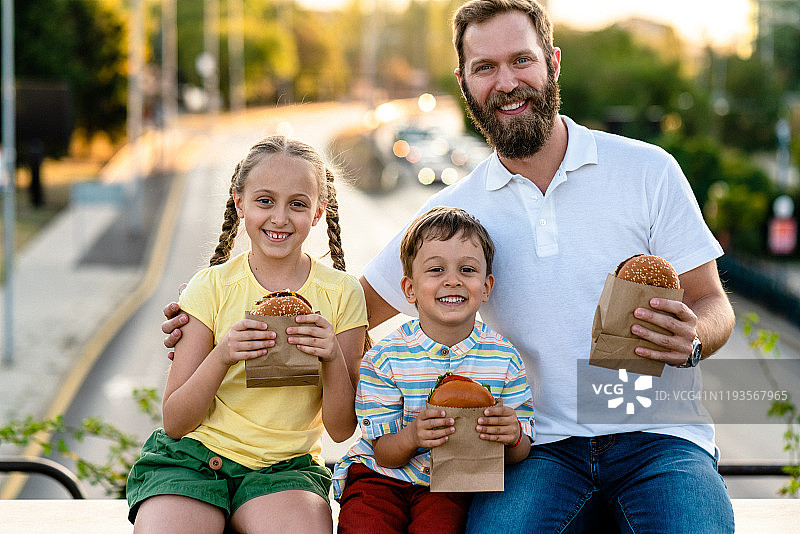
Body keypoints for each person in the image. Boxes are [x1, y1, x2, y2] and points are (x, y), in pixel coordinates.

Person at [163, 1, 737, 532]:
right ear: (463, 82)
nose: (507, 82)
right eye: (485, 66)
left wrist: (693, 336)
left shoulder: (647, 169)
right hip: (533, 449)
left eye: (521, 61)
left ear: (551, 63)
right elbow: (346, 309)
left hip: (658, 434)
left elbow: (712, 304)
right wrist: (209, 315)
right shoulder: (452, 216)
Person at [129, 135, 368, 534]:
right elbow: (175, 421)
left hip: (285, 470)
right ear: (239, 202)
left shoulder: (342, 294)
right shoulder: (209, 288)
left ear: (318, 212)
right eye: (264, 201)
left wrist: (332, 357)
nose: (279, 218)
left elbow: (342, 429)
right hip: (195, 460)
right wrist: (222, 354)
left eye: (297, 204)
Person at [333, 206, 534, 534]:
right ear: (410, 288)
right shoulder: (385, 358)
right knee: (363, 526)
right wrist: (413, 435)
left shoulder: (504, 359)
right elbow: (384, 453)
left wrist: (512, 436)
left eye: (467, 270)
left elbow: (519, 449)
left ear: (486, 286)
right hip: (380, 478)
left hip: (452, 482)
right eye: (436, 270)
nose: (452, 280)